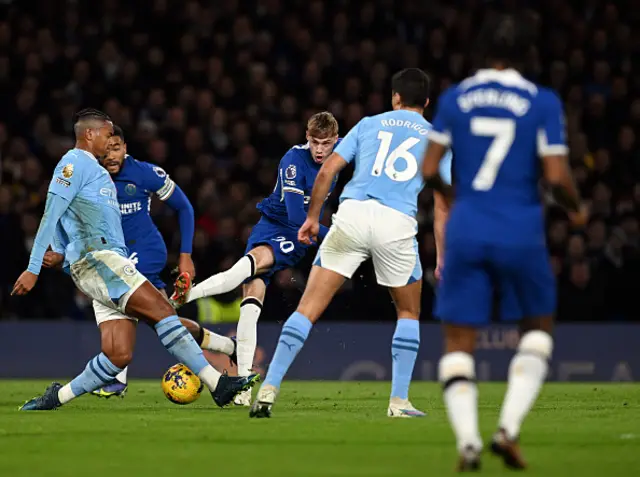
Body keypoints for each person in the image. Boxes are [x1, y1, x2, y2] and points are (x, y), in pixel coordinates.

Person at [422, 14, 587, 471]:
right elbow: (555, 176)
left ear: (481, 51)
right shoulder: (542, 101)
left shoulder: (455, 99)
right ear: (527, 55)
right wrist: (576, 207)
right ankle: (508, 430)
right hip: (520, 230)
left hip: (468, 228)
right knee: (537, 329)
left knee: (458, 341)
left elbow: (430, 167)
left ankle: (469, 442)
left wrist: (459, 197)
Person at [12, 109, 259, 411]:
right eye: (106, 134)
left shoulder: (100, 170)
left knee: (118, 355)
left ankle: (55, 398)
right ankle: (218, 385)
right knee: (162, 311)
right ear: (90, 134)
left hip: (99, 265)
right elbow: (51, 214)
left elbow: (70, 219)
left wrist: (64, 254)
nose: (110, 142)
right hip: (101, 260)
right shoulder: (73, 163)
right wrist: (33, 267)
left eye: (116, 141)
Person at [249, 68, 452, 419]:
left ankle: (270, 388)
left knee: (307, 309)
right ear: (428, 102)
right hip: (396, 223)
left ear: (395, 98)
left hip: (352, 215)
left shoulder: (370, 124)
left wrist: (312, 217)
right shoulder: (437, 140)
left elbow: (327, 171)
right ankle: (398, 402)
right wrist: (443, 258)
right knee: (408, 311)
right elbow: (444, 203)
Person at [171, 112, 340, 406]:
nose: (320, 149)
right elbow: (298, 216)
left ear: (335, 141)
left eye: (326, 143)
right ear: (306, 138)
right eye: (315, 142)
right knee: (250, 301)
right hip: (280, 225)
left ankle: (182, 297)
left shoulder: (338, 161)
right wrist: (339, 233)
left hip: (298, 237)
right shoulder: (292, 161)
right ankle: (243, 386)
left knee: (246, 282)